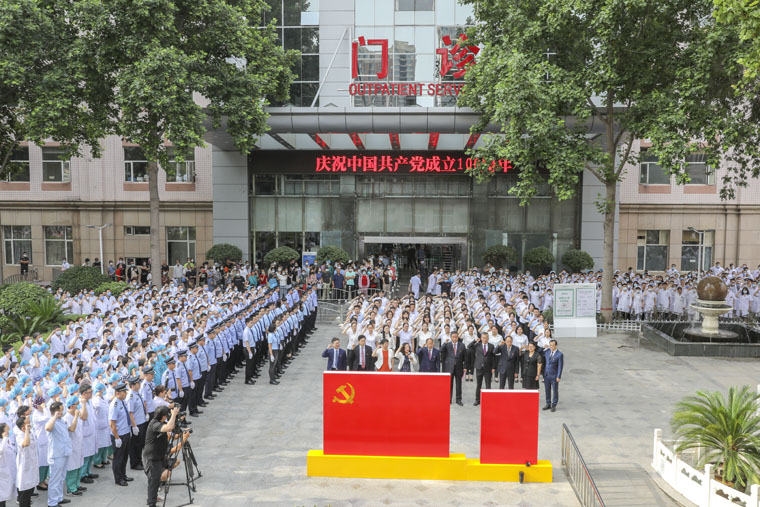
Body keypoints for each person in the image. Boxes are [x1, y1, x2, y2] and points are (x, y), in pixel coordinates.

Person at [142, 405, 181, 507]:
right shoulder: (154, 424)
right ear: (164, 416)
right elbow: (169, 428)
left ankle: (154, 497)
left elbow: (171, 430)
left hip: (159, 457)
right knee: (153, 481)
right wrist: (174, 414)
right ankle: (151, 503)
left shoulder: (160, 422)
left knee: (156, 480)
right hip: (151, 458)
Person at [45, 401, 71, 507]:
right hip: (56, 455)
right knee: (55, 480)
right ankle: (52, 503)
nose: (63, 411)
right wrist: (55, 416)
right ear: (56, 411)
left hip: (64, 452)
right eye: (61, 409)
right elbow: (48, 428)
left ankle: (59, 498)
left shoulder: (61, 421)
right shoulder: (52, 421)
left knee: (61, 478)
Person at [108, 382, 132, 486]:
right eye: (123, 392)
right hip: (119, 435)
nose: (125, 393)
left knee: (125, 456)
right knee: (118, 458)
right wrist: (117, 438)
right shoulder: (115, 405)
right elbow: (112, 423)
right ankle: (118, 479)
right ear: (118, 393)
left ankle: (123, 475)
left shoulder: (122, 401)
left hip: (125, 432)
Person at [15, 415, 38, 507]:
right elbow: (26, 443)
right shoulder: (20, 436)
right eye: (28, 423)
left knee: (30, 491)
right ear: (23, 427)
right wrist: (27, 431)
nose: (30, 424)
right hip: (25, 468)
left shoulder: (30, 433)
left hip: (32, 466)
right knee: (24, 493)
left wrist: (28, 431)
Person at [440, 331, 466, 405]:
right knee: (449, 384)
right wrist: (444, 343)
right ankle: (449, 399)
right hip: (449, 367)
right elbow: (441, 350)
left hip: (459, 367)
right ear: (451, 337)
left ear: (458, 337)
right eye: (453, 337)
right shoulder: (447, 345)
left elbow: (465, 357)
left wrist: (465, 367)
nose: (455, 338)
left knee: (458, 384)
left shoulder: (462, 345)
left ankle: (458, 399)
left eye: (456, 337)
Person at [473, 333, 495, 406]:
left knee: (488, 384)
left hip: (488, 368)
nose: (485, 339)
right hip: (479, 367)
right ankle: (477, 400)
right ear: (481, 338)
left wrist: (493, 367)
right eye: (483, 338)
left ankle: (488, 400)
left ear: (488, 338)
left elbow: (493, 357)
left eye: (486, 338)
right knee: (478, 384)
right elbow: (469, 346)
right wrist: (475, 341)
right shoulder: (477, 345)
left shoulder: (491, 346)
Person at [543, 339, 564, 412]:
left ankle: (554, 404)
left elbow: (560, 366)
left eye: (552, 345)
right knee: (547, 390)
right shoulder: (547, 352)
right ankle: (548, 403)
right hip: (547, 375)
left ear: (556, 346)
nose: (551, 347)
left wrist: (558, 376)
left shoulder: (559, 354)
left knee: (555, 390)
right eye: (550, 345)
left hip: (554, 375)